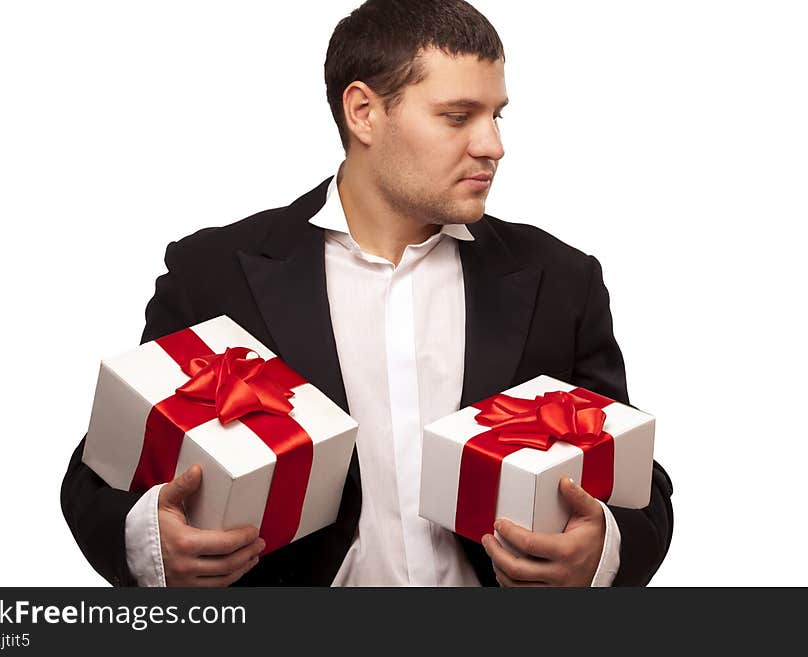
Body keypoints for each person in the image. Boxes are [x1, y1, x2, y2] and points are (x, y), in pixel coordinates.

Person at [61, 0, 673, 587]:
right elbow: (104, 469)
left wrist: (601, 553)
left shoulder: (561, 280)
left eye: (498, 115)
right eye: (458, 117)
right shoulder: (213, 275)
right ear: (363, 113)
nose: (492, 145)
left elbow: (639, 485)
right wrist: (153, 547)